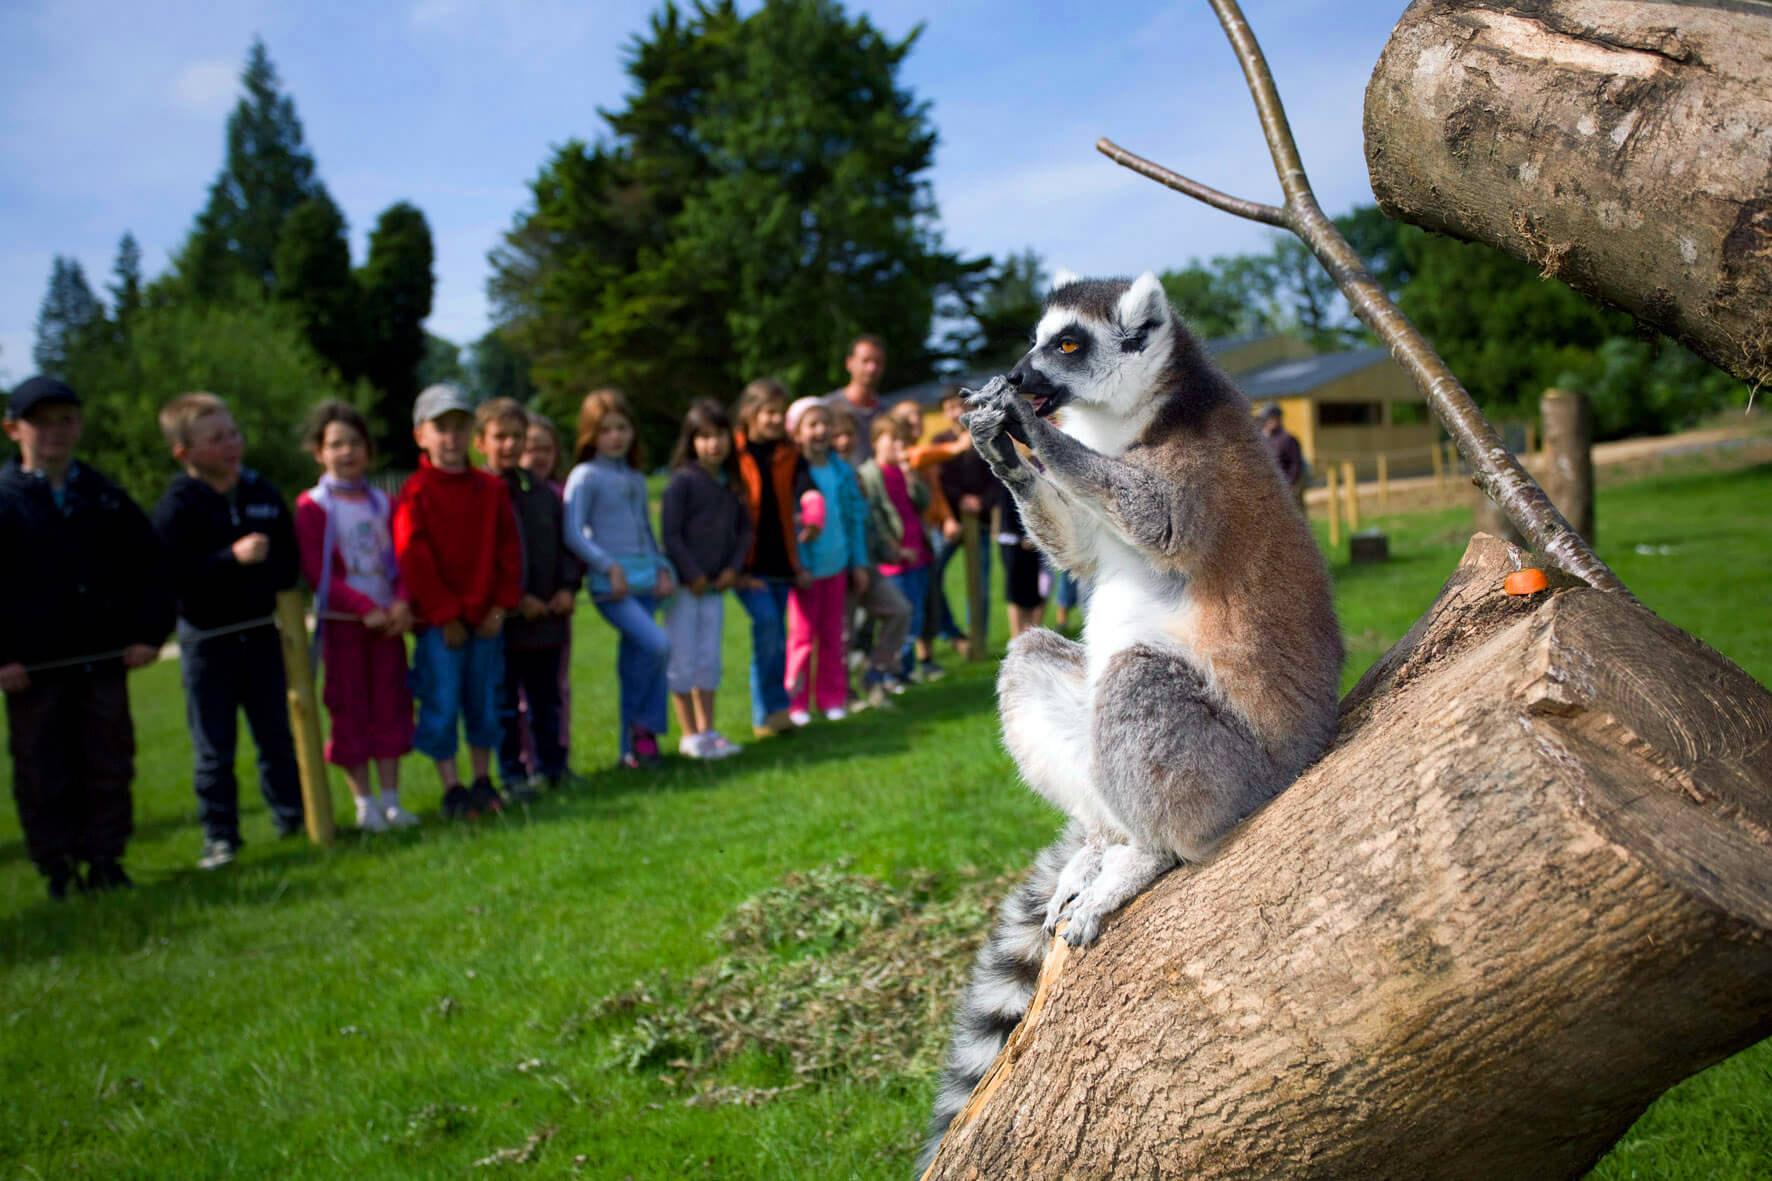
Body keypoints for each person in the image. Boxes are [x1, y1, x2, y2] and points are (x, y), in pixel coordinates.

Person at [1, 376, 173, 897]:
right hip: (33, 670)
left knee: (108, 762)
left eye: (66, 420)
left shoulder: (105, 498)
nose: (56, 431)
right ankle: (58, 869)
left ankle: (106, 860)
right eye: (42, 421)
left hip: (101, 661)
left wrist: (148, 634)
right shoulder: (5, 503)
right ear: (14, 430)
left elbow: (151, 568)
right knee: (42, 768)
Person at [153, 391, 306, 869]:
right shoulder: (178, 506)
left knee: (277, 737)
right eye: (216, 438)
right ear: (185, 452)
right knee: (214, 749)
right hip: (206, 644)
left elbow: (289, 560)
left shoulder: (262, 494)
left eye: (233, 434)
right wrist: (228, 560)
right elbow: (170, 575)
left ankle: (294, 819)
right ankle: (220, 838)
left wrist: (271, 574)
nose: (231, 445)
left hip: (261, 635)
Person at [393, 383, 524, 818]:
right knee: (442, 701)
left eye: (459, 427)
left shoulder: (490, 492)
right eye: (440, 428)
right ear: (421, 436)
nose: (451, 438)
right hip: (440, 627)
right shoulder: (415, 494)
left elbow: (509, 552)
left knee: (485, 700)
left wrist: (500, 607)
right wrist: (444, 614)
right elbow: (413, 557)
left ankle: (484, 781)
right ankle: (452, 787)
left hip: (486, 619)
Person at [293, 401, 419, 833]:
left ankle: (391, 800)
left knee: (391, 706)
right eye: (336, 444)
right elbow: (317, 572)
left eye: (354, 443)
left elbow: (403, 559)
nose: (346, 452)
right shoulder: (312, 506)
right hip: (346, 628)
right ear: (319, 452)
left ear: (368, 449)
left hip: (389, 625)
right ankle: (363, 804)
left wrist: (401, 602)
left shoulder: (384, 502)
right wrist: (364, 610)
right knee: (349, 710)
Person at [563, 387, 674, 768]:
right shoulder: (584, 476)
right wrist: (608, 566)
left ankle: (635, 746)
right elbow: (573, 532)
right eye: (606, 429)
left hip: (645, 581)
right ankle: (645, 726)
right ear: (590, 434)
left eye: (622, 428)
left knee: (639, 661)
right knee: (659, 645)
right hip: (612, 587)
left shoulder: (636, 477)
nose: (615, 437)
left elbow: (646, 528)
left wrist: (663, 568)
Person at [477, 398, 582, 798]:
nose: (509, 445)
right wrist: (515, 600)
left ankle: (553, 767)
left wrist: (566, 588)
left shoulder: (542, 493)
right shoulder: (481, 493)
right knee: (505, 704)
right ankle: (513, 775)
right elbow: (482, 558)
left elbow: (565, 545)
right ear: (481, 442)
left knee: (547, 700)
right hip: (503, 623)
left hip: (548, 620)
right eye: (500, 437)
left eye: (516, 437)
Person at [659, 399, 752, 757]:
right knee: (682, 658)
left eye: (720, 435)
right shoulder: (681, 482)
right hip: (684, 590)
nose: (714, 444)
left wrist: (731, 568)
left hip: (716, 588)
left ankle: (709, 730)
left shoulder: (733, 484)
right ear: (691, 441)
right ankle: (689, 735)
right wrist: (692, 574)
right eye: (705, 436)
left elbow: (744, 532)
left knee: (708, 659)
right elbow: (671, 535)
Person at [731, 378, 810, 737]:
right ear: (750, 413)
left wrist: (811, 509)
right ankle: (768, 713)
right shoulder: (733, 453)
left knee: (775, 635)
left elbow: (806, 488)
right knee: (767, 629)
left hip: (782, 562)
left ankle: (774, 713)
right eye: (768, 413)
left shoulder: (789, 453)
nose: (776, 420)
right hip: (747, 564)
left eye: (781, 413)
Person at [784, 397, 869, 723]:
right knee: (802, 639)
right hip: (805, 572)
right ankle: (796, 703)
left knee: (833, 636)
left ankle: (831, 697)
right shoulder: (792, 473)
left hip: (837, 567)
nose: (820, 431)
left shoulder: (842, 471)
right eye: (812, 425)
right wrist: (798, 565)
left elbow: (854, 519)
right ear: (797, 432)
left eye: (825, 424)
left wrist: (858, 563)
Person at [830, 406, 911, 706]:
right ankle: (843, 694)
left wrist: (885, 550)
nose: (843, 440)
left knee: (899, 610)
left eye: (848, 434)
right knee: (843, 635)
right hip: (841, 567)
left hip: (867, 564)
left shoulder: (853, 473)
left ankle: (874, 674)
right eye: (836, 435)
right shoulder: (823, 475)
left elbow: (866, 521)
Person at [890, 399, 969, 673]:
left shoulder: (922, 454)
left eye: (917, 415)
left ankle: (926, 655)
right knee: (919, 595)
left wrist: (947, 519)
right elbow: (920, 455)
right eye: (908, 416)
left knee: (929, 591)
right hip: (909, 539)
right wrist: (957, 446)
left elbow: (935, 493)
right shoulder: (910, 456)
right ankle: (948, 637)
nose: (916, 420)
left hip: (930, 532)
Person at [858, 416, 937, 682]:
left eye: (901, 439)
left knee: (915, 616)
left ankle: (903, 670)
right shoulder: (870, 474)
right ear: (875, 441)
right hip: (894, 560)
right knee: (900, 616)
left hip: (918, 554)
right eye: (892, 438)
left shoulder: (903, 471)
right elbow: (875, 516)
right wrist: (894, 548)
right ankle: (887, 672)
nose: (898, 444)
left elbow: (923, 503)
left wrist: (911, 477)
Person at [519, 414, 573, 770]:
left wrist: (568, 587)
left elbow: (570, 546)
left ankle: (558, 758)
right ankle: (527, 760)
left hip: (557, 608)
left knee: (557, 688)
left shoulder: (562, 494)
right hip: (518, 612)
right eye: (531, 448)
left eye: (546, 448)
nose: (539, 456)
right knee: (522, 694)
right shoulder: (506, 494)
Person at [936, 393, 1003, 652]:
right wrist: (960, 499)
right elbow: (939, 482)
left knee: (981, 584)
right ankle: (950, 632)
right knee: (934, 573)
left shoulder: (985, 439)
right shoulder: (939, 442)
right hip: (950, 522)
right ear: (944, 413)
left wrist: (981, 502)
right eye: (949, 407)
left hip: (981, 522)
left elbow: (997, 478)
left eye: (958, 406)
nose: (954, 412)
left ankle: (978, 640)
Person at [824, 334, 890, 464]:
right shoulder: (827, 408)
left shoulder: (887, 413)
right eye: (865, 361)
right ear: (849, 363)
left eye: (878, 362)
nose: (872, 368)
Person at [997, 490, 1048, 639]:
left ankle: (1030, 635)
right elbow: (1008, 512)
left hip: (1033, 543)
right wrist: (1022, 537)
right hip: (1014, 544)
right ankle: (1016, 636)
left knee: (1033, 593)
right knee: (1016, 592)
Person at [1261, 404, 1307, 511]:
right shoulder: (1261, 439)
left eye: (1274, 418)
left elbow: (1296, 464)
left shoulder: (1288, 439)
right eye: (1268, 418)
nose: (1270, 421)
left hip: (1286, 487)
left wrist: (1289, 485)